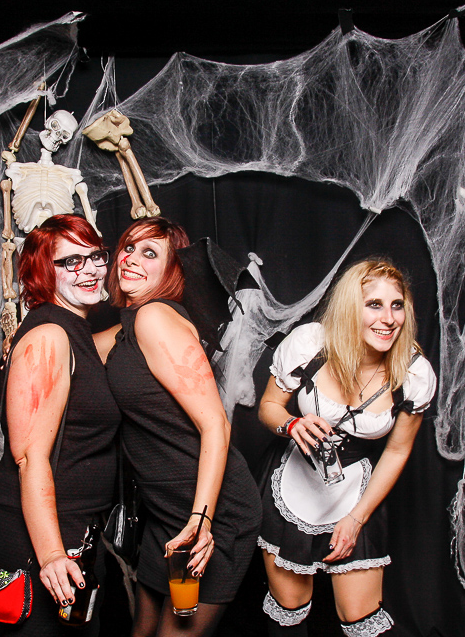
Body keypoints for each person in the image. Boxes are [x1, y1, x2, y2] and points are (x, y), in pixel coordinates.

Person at [97, 217, 262, 637]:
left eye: (150, 253)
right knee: (142, 629)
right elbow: (75, 348)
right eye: (128, 248)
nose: (131, 259)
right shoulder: (128, 326)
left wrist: (202, 519)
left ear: (172, 271)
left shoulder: (155, 318)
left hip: (210, 515)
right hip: (165, 512)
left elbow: (216, 424)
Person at [256, 260, 436, 637]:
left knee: (360, 616)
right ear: (350, 307)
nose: (388, 319)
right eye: (374, 305)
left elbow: (397, 451)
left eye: (397, 305)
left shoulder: (414, 373)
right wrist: (291, 424)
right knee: (289, 609)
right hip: (292, 483)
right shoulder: (310, 344)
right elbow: (268, 406)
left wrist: (356, 519)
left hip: (358, 491)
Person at [0, 214, 121, 636]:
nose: (90, 270)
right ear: (43, 271)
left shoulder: (72, 330)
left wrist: (152, 313)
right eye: (72, 261)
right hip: (42, 535)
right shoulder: (49, 337)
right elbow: (30, 456)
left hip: (74, 524)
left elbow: (108, 344)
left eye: (95, 256)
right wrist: (52, 554)